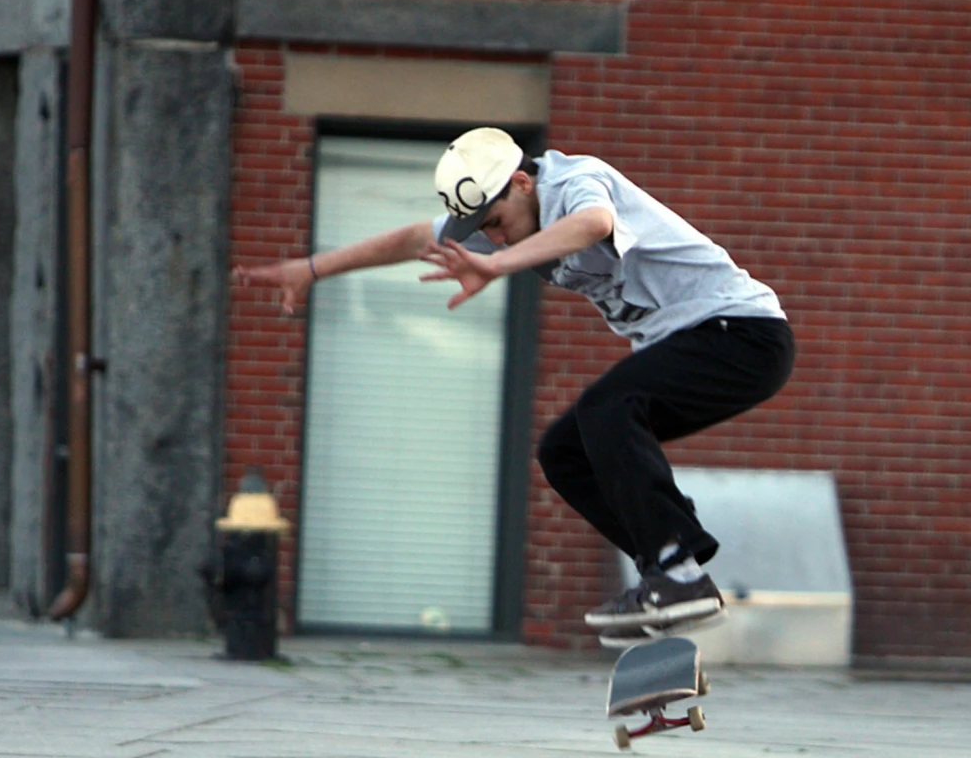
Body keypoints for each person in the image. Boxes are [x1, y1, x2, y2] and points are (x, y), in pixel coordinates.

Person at [232, 128, 793, 638]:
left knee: (610, 408)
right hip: (701, 346)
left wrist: (499, 269)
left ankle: (674, 567)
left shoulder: (577, 180)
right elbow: (410, 240)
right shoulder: (503, 214)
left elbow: (594, 225)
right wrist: (310, 270)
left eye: (496, 226)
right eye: (485, 237)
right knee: (566, 451)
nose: (495, 243)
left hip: (740, 335)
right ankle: (673, 575)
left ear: (522, 183)